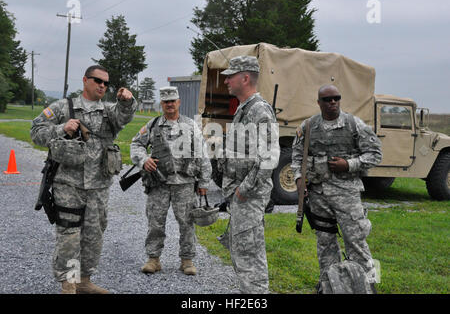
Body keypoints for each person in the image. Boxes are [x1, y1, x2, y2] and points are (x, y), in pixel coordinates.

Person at [31, 65, 137, 294]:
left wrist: (127, 101)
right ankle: (68, 284)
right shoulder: (62, 107)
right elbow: (36, 131)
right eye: (97, 80)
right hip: (68, 184)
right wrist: (61, 128)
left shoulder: (109, 111)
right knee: (69, 235)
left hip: (98, 186)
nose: (102, 85)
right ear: (85, 81)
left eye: (106, 83)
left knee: (93, 234)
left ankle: (84, 281)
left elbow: (125, 116)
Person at [291, 84, 382, 292]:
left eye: (336, 98)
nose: (333, 102)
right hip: (319, 196)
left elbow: (375, 154)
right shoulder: (308, 126)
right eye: (327, 99)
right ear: (319, 102)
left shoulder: (353, 124)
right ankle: (329, 285)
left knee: (357, 243)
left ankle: (369, 287)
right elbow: (297, 156)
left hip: (347, 194)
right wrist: (299, 179)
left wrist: (349, 165)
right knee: (325, 243)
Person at [130, 86, 211, 276]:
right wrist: (144, 160)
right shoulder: (152, 125)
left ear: (179, 102)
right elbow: (136, 144)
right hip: (158, 184)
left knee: (186, 223)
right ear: (161, 104)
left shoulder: (191, 126)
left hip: (184, 183)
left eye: (172, 101)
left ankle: (187, 260)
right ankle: (153, 259)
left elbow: (202, 154)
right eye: (166, 101)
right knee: (155, 222)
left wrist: (204, 182)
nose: (169, 105)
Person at [220, 56, 280, 293]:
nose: (226, 81)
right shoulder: (245, 109)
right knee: (242, 254)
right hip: (240, 197)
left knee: (250, 259)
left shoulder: (259, 110)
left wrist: (243, 190)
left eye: (230, 76)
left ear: (245, 78)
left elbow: (268, 158)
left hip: (249, 197)